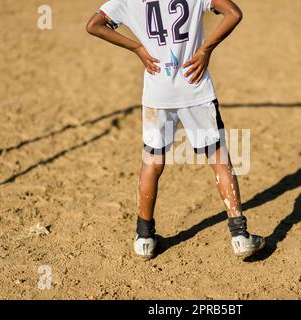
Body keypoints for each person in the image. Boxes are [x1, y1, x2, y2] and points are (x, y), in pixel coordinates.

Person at [86, 0, 264, 260]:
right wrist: (205, 50)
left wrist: (137, 47)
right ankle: (239, 236)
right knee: (219, 159)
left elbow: (93, 25)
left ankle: (144, 238)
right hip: (195, 86)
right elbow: (233, 13)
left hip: (158, 92)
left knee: (152, 161)